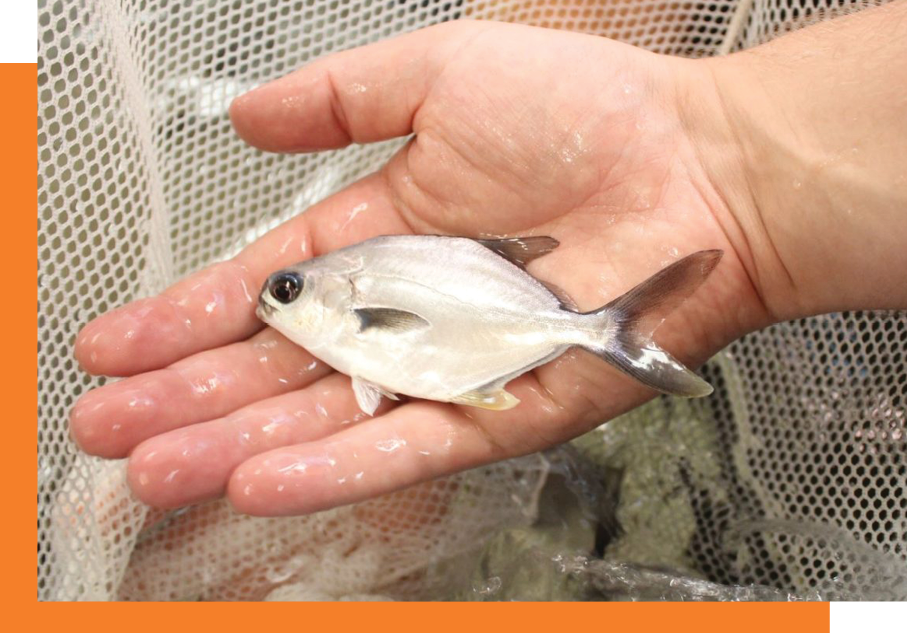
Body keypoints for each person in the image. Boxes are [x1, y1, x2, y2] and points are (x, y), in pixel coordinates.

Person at [69, 1, 907, 517]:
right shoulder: (356, 303)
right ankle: (605, 332)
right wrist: (732, 165)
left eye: (289, 293)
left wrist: (731, 171)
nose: (278, 301)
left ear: (331, 293)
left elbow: (394, 324)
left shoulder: (352, 295)